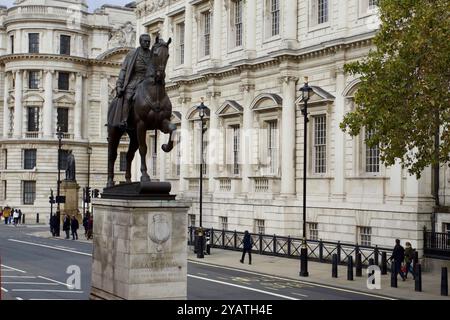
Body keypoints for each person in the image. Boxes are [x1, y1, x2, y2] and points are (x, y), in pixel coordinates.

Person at [113, 33, 154, 129]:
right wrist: (119, 85)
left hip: (148, 80)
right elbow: (123, 70)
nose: (147, 43)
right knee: (128, 97)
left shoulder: (152, 54)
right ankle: (124, 119)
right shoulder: (132, 54)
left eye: (149, 42)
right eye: (145, 41)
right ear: (140, 42)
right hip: (135, 79)